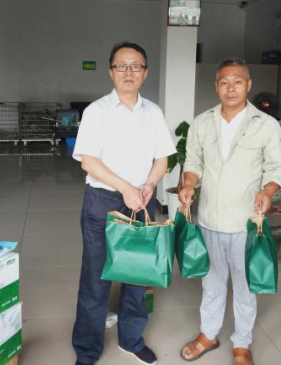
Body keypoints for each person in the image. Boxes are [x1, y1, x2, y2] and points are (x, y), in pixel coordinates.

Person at [71, 41, 176, 365]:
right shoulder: (97, 111)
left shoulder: (153, 112)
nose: (128, 72)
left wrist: (149, 184)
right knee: (96, 279)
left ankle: (131, 339)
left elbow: (163, 158)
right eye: (122, 66)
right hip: (103, 202)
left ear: (145, 73)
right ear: (111, 71)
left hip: (141, 201)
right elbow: (88, 161)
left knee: (137, 276)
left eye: (136, 66)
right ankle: (87, 350)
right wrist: (126, 188)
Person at [178, 58, 281, 365]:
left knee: (244, 287)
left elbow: (277, 168)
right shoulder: (202, 122)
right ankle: (208, 334)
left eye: (237, 82)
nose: (230, 88)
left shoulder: (265, 125)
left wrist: (267, 191)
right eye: (224, 82)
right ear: (216, 86)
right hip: (210, 219)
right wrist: (189, 183)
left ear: (248, 85)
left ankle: (242, 343)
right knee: (211, 283)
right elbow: (193, 162)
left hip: (245, 222)